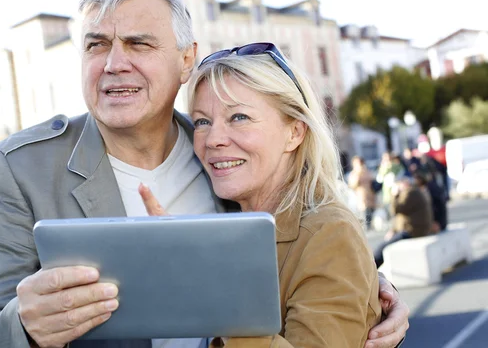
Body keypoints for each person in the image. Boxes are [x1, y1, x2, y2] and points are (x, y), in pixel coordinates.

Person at [0, 0, 408, 348]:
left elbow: (309, 254)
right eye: (96, 44)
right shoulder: (20, 169)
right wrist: (25, 327)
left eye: (139, 43)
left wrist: (370, 291)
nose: (114, 63)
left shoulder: (226, 161)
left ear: (187, 59)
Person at [139, 44, 389, 347]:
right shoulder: (232, 222)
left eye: (239, 117)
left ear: (295, 133)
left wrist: (207, 288)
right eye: (203, 121)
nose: (213, 139)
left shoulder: (330, 232)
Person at [374, 176, 433, 268]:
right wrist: (393, 230)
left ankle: (372, 267)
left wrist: (394, 195)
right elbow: (400, 217)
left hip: (413, 231)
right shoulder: (413, 192)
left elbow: (395, 209)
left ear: (404, 184)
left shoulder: (410, 193)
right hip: (413, 229)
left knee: (382, 247)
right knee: (384, 245)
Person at [348, 156, 378, 229]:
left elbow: (372, 180)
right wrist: (358, 175)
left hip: (370, 193)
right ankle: (367, 226)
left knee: (371, 210)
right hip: (361, 195)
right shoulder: (354, 173)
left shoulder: (367, 171)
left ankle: (370, 225)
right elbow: (352, 185)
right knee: (364, 211)